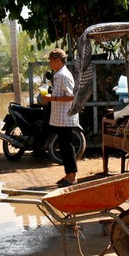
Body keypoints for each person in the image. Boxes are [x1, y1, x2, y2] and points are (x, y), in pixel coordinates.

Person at [40, 48, 79, 187]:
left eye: (51, 61)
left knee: (67, 147)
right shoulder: (58, 74)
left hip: (65, 117)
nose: (50, 63)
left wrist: (53, 98)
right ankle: (68, 175)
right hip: (60, 117)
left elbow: (71, 96)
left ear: (58, 61)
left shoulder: (63, 75)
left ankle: (72, 176)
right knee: (63, 146)